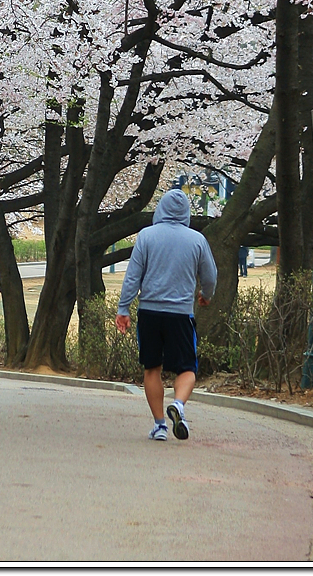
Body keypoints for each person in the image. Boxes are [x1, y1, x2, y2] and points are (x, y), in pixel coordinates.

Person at [116, 188, 217, 442]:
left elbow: (133, 276)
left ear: (160, 209)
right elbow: (210, 276)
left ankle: (160, 425)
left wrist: (123, 308)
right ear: (186, 212)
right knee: (187, 368)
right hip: (180, 315)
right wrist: (206, 294)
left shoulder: (147, 236)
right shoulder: (197, 240)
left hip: (149, 312)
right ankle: (179, 406)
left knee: (152, 369)